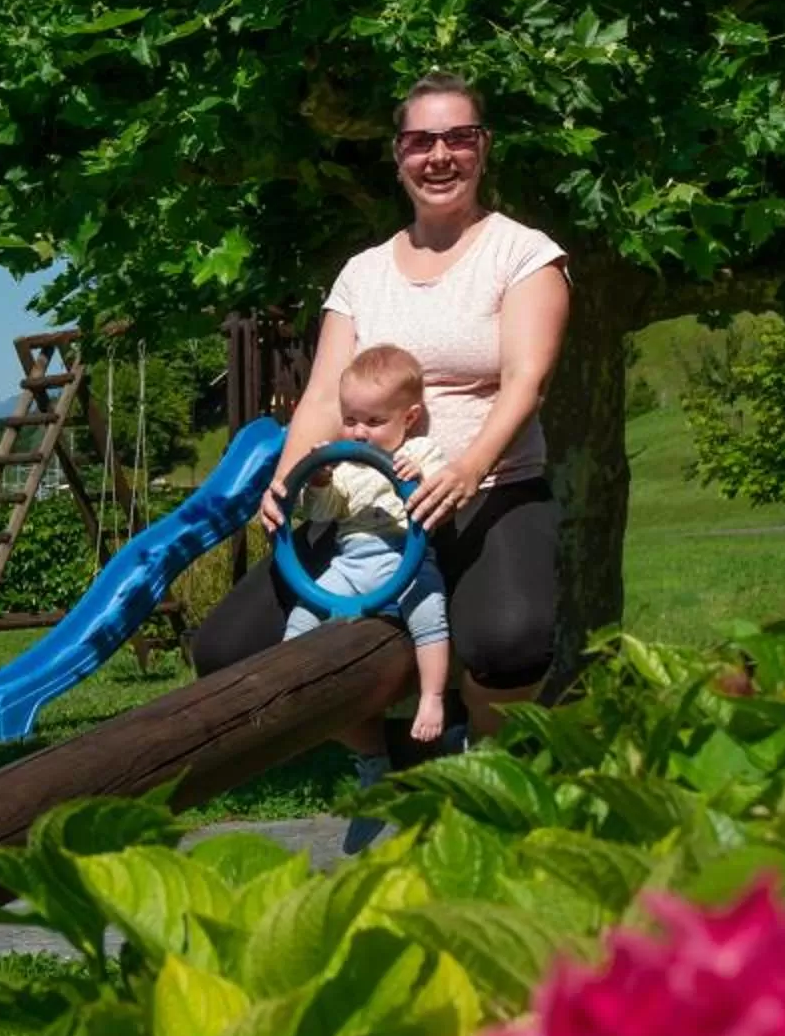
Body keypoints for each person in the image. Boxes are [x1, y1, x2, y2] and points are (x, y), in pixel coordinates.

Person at [192, 70, 570, 765]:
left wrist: (466, 469)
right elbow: (324, 401)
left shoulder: (523, 254)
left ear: (483, 149)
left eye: (459, 137)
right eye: (422, 141)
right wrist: (288, 479)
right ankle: (381, 756)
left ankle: (486, 765)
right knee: (224, 651)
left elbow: (527, 380)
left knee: (509, 642)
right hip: (369, 511)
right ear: (398, 156)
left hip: (487, 492)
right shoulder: (363, 274)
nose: (440, 155)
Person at [282, 343, 454, 745]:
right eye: (350, 419)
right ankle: (291, 685)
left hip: (405, 558)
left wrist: (421, 477)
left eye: (374, 421)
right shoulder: (345, 465)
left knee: (430, 615)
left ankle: (432, 697)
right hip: (352, 561)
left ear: (408, 418)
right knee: (306, 611)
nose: (359, 432)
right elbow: (324, 513)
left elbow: (441, 494)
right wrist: (320, 481)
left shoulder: (420, 451)